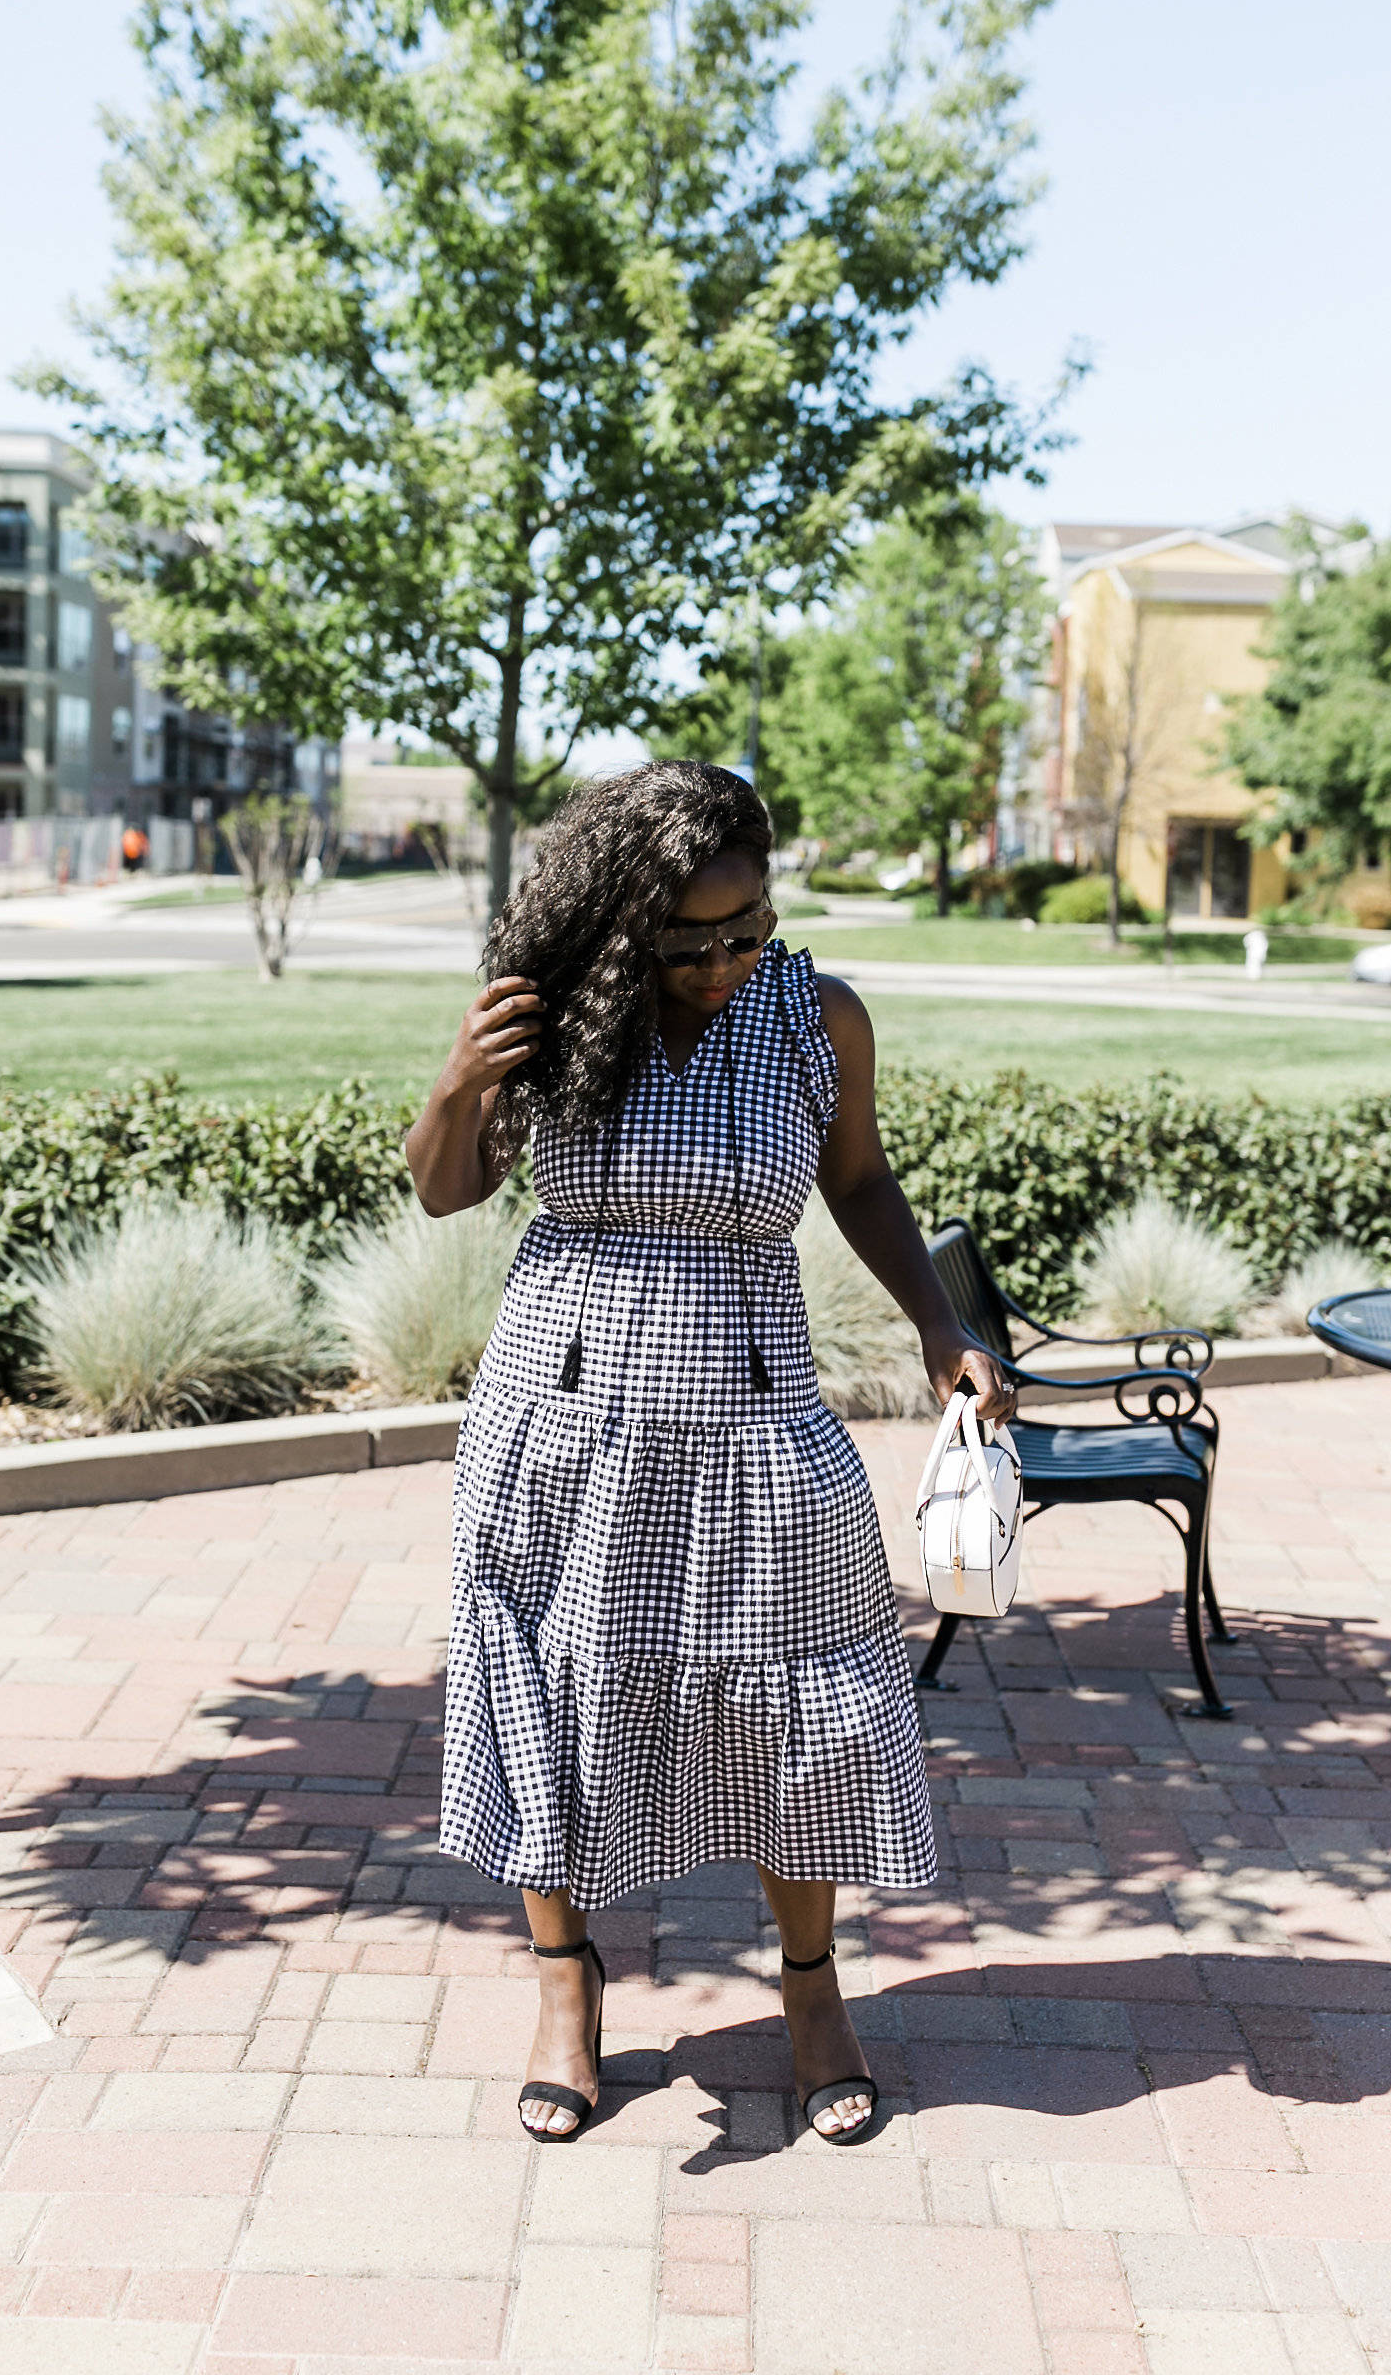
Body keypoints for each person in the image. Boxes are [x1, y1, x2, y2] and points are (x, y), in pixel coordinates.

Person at [406, 761, 1012, 2148]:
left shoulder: (816, 1016)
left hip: (753, 1414)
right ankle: (567, 1985)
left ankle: (812, 1995)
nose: (731, 962)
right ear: (627, 926)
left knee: (793, 1698)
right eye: (695, 941)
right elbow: (446, 1186)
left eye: (752, 930)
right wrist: (462, 1078)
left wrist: (938, 1324)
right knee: (549, 1685)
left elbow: (856, 1179)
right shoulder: (555, 1017)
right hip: (558, 1418)